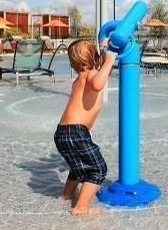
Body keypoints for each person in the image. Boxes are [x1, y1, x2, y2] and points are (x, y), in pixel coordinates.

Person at [54, 39, 116, 216]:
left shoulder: (78, 80)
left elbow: (104, 74)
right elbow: (98, 82)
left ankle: (66, 195)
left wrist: (104, 51)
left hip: (62, 132)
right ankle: (81, 207)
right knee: (98, 169)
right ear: (95, 60)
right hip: (76, 132)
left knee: (78, 167)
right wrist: (110, 58)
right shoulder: (91, 76)